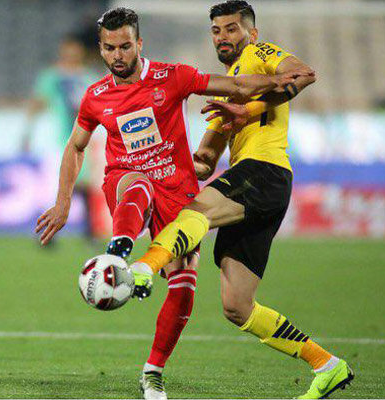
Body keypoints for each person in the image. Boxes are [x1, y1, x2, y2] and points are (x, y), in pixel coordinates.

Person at [34, 7, 307, 400]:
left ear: (139, 44)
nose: (117, 55)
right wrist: (62, 204)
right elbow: (76, 147)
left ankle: (153, 373)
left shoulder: (172, 77)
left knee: (183, 287)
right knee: (138, 183)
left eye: (125, 46)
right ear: (101, 49)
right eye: (109, 48)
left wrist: (279, 80)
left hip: (177, 194)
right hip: (126, 182)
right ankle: (118, 252)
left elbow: (234, 86)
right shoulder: (95, 97)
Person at [128, 1, 353, 399]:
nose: (223, 37)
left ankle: (145, 268)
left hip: (264, 170)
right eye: (217, 31)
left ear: (251, 32)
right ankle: (327, 365)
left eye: (231, 29)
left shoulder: (259, 55)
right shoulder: (225, 91)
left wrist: (248, 111)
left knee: (197, 212)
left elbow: (304, 73)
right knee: (237, 306)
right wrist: (162, 159)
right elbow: (203, 162)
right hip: (259, 187)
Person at [22, 36, 101, 240]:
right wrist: (27, 133)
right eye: (68, 50)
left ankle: (89, 232)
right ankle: (49, 231)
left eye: (75, 50)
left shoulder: (89, 77)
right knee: (56, 184)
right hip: (57, 140)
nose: (71, 54)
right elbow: (38, 103)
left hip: (84, 139)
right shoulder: (51, 77)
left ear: (81, 52)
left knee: (83, 184)